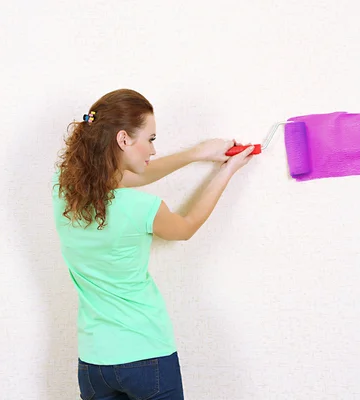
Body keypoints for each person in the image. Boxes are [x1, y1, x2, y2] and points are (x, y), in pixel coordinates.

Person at [52, 89, 256, 400]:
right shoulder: (139, 208)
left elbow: (137, 176)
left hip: (94, 364)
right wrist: (227, 171)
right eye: (150, 139)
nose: (153, 149)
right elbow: (185, 228)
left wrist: (198, 153)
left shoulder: (63, 193)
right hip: (146, 355)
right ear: (123, 139)